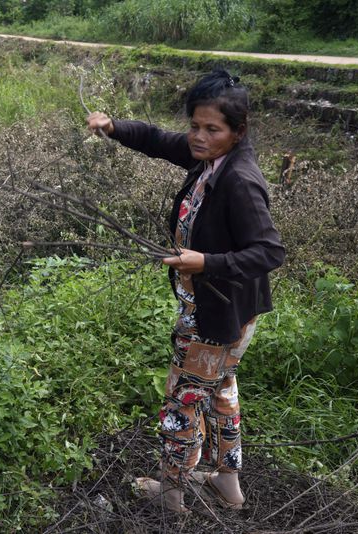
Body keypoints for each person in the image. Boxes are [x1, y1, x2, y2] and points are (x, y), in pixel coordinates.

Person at [87, 70, 285, 513]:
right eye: (195, 125)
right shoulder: (210, 158)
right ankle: (227, 484)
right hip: (228, 312)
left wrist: (206, 263)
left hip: (214, 316)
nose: (198, 136)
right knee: (220, 390)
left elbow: (270, 251)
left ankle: (172, 493)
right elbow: (160, 140)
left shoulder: (239, 180)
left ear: (238, 131)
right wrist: (113, 127)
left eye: (211, 129)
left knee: (183, 400)